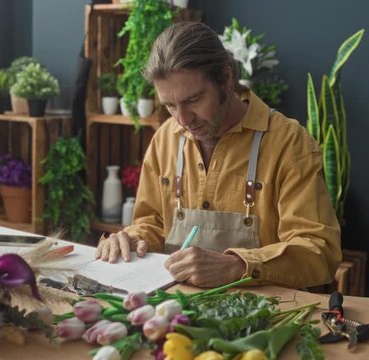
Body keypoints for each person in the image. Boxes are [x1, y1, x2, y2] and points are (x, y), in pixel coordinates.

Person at [95, 21, 341, 289]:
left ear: (225, 79)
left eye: (193, 100)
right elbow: (151, 223)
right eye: (169, 105)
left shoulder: (289, 143)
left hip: (261, 318)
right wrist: (132, 239)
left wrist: (239, 266)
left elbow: (320, 252)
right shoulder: (166, 138)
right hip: (178, 313)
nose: (183, 119)